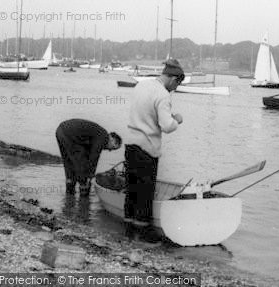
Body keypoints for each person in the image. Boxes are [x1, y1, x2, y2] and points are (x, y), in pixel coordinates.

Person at [123, 58, 184, 239]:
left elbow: (145, 112)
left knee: (131, 190)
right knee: (145, 194)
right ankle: (143, 236)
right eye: (176, 85)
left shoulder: (141, 86)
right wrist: (177, 120)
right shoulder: (163, 95)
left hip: (131, 144)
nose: (175, 89)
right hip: (147, 148)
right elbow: (167, 126)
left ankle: (128, 232)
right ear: (173, 79)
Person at [56, 119, 122, 196]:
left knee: (68, 163)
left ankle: (69, 194)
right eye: (113, 148)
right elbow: (94, 158)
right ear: (112, 139)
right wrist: (90, 176)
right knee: (81, 164)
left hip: (60, 131)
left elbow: (88, 153)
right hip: (70, 134)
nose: (110, 150)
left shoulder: (97, 135)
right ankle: (83, 196)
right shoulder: (104, 137)